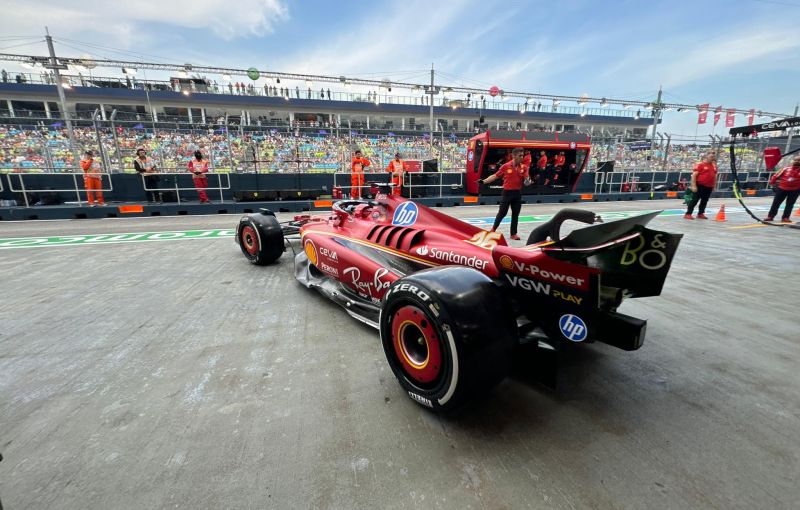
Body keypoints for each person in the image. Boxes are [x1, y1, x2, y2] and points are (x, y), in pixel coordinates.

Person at [480, 147, 531, 240]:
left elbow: (527, 182)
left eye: (522, 155)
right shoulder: (505, 166)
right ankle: (493, 229)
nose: (522, 157)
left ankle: (513, 234)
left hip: (517, 194)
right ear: (513, 155)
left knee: (515, 214)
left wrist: (528, 181)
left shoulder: (524, 168)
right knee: (502, 213)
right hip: (507, 193)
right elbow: (495, 176)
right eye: (520, 155)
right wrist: (484, 181)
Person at [766, 155, 800, 222]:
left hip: (794, 190)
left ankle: (785, 217)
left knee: (790, 204)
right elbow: (775, 176)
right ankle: (770, 216)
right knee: (775, 203)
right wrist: (772, 184)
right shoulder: (785, 169)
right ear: (793, 161)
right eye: (796, 160)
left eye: (799, 160)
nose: (797, 161)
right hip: (782, 189)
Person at [684, 151, 718, 219]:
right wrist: (693, 186)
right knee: (695, 200)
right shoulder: (700, 165)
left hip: (709, 187)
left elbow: (714, 176)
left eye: (714, 157)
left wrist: (714, 186)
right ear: (706, 156)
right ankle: (688, 214)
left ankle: (700, 213)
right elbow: (694, 175)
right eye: (711, 156)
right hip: (700, 185)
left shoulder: (714, 166)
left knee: (704, 201)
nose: (713, 158)